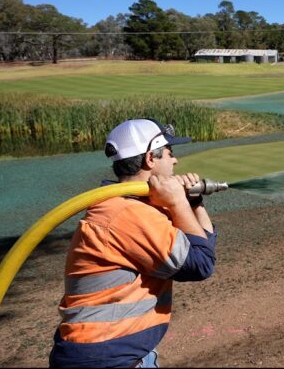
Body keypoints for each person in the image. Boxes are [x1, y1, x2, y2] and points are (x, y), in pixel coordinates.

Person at [49, 118, 217, 368]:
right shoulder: (126, 213)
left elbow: (202, 245)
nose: (176, 161)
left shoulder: (136, 206)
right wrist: (178, 203)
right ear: (150, 158)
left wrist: (193, 203)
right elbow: (201, 264)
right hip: (105, 359)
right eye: (170, 153)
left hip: (117, 354)